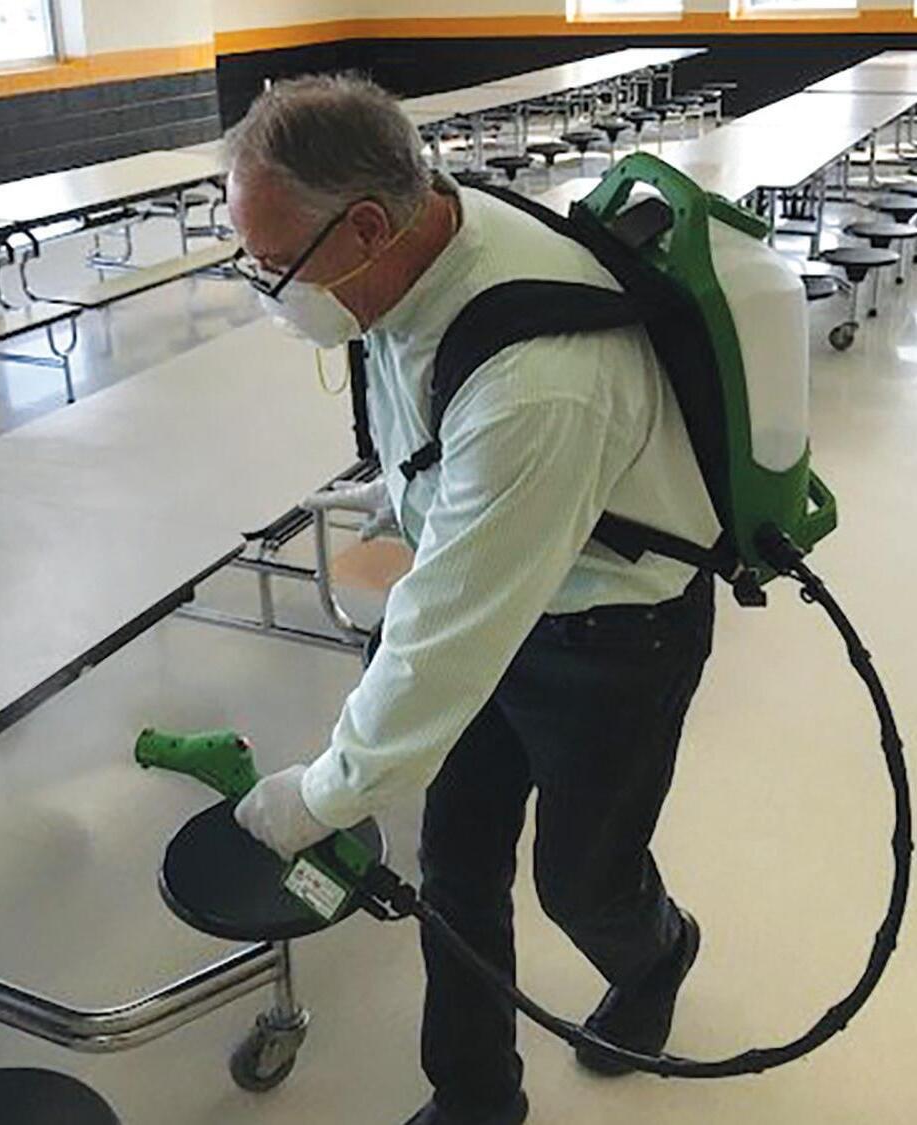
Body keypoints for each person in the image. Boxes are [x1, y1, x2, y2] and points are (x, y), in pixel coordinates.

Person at [227, 73, 719, 1125]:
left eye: (274, 267)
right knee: (455, 862)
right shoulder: (424, 238)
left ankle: (658, 951)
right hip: (512, 578)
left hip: (613, 636)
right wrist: (407, 494)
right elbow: (433, 408)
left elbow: (441, 641)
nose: (267, 291)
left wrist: (322, 796)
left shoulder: (540, 385)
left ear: (366, 225)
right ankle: (476, 1099)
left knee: (582, 884)